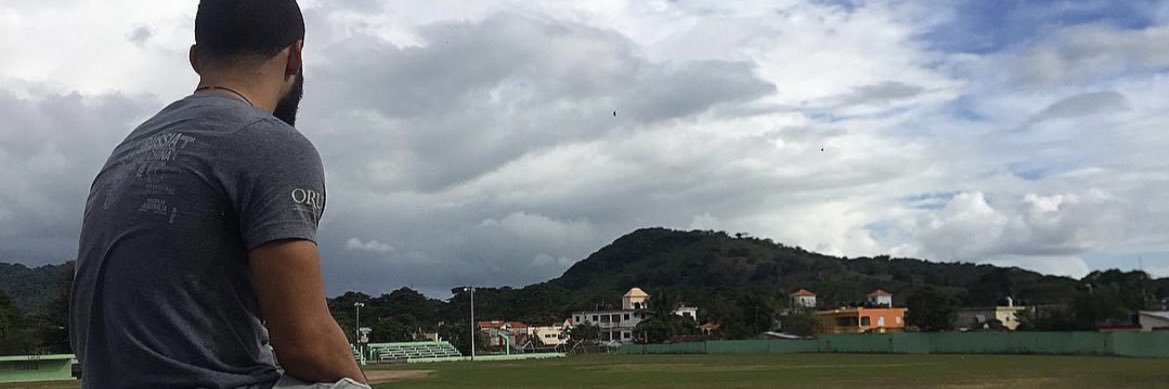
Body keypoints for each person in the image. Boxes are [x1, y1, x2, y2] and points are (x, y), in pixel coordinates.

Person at [70, 0, 369, 387]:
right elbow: (306, 345)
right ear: (295, 56)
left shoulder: (125, 152)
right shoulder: (273, 144)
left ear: (196, 59)